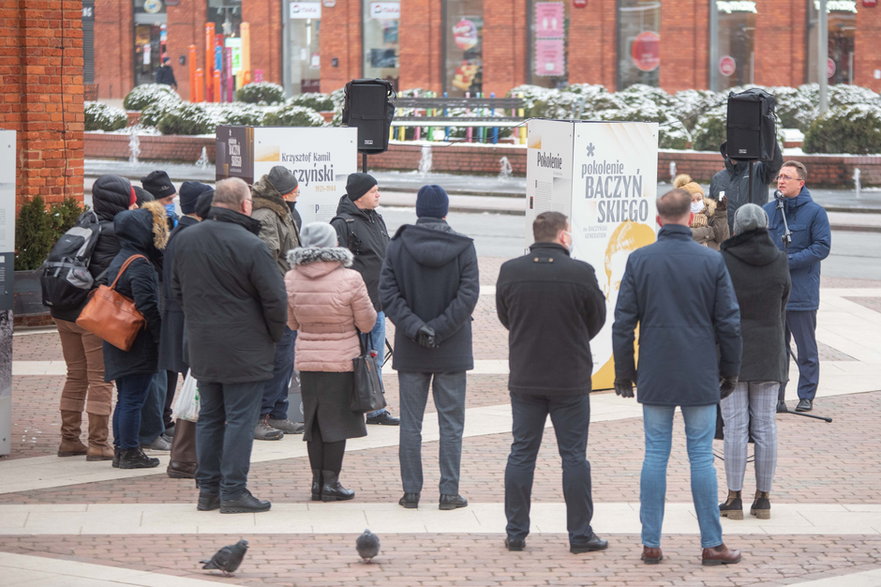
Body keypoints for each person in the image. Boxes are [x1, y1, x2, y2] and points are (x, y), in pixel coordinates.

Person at [612, 188, 743, 566]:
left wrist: (625, 372)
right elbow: (729, 322)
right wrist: (730, 369)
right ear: (690, 218)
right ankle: (712, 543)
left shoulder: (640, 260)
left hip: (656, 369)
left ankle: (651, 542)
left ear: (658, 219)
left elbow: (624, 322)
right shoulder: (710, 261)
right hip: (700, 370)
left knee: (655, 454)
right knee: (701, 457)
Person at [172, 177, 287, 514]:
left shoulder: (186, 239)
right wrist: (272, 335)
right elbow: (276, 300)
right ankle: (233, 491)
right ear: (245, 205)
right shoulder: (251, 245)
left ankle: (208, 490)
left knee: (209, 417)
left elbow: (176, 291)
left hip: (203, 343)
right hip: (245, 347)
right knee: (239, 419)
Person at [495, 211, 607, 554]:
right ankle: (579, 534)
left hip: (526, 374)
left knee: (521, 454)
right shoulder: (580, 272)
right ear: (562, 236)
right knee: (574, 457)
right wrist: (574, 338)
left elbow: (506, 316)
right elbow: (596, 319)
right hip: (569, 376)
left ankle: (516, 532)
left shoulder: (511, 270)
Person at [379, 185, 479, 511]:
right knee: (450, 424)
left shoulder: (398, 246)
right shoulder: (464, 247)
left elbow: (388, 295)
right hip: (452, 347)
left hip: (412, 347)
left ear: (418, 211)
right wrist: (439, 329)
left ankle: (411, 492)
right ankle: (449, 493)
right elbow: (467, 297)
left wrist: (417, 329)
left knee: (411, 424)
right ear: (445, 212)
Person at [285, 222, 376, 502]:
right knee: (336, 421)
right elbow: (367, 321)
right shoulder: (350, 278)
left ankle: (316, 483)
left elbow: (291, 322)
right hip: (341, 359)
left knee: (313, 422)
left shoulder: (290, 277)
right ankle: (331, 483)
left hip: (308, 358)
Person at [52, 175, 134, 461]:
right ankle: (99, 444)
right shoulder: (117, 232)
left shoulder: (83, 223)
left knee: (75, 375)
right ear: (124, 198)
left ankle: (69, 439)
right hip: (93, 314)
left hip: (64, 311)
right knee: (100, 378)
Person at [719, 204, 790, 520]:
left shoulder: (724, 260)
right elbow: (784, 299)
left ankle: (734, 497)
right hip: (769, 348)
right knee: (765, 425)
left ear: (736, 227)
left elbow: (715, 306)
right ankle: (763, 498)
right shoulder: (779, 259)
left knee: (735, 425)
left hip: (731, 351)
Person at [102, 202, 169, 469]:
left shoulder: (121, 256)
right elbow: (148, 306)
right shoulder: (140, 263)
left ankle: (123, 449)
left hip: (118, 338)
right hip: (136, 341)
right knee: (133, 398)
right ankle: (129, 451)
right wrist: (160, 336)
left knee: (126, 396)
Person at [762, 161, 831, 413]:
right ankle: (777, 396)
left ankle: (806, 395)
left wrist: (787, 261)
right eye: (779, 177)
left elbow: (821, 247)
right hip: (773, 294)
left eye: (787, 177)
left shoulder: (815, 213)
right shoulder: (768, 210)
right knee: (776, 348)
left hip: (801, 292)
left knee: (806, 348)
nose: (780, 181)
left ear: (800, 183)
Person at [332, 172, 399, 426]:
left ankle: (374, 409)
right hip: (356, 306)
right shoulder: (342, 223)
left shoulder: (376, 220)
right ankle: (354, 407)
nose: (378, 194)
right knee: (356, 359)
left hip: (378, 303)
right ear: (360, 196)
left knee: (375, 358)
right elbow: (337, 265)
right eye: (374, 191)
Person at [159, 181, 212, 479]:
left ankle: (184, 458)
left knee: (193, 391)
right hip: (189, 322)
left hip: (181, 320)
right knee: (196, 392)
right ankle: (186, 458)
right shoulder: (192, 235)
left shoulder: (180, 232)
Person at [251, 165, 304, 440]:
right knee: (277, 357)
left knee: (285, 358)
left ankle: (279, 413)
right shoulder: (267, 216)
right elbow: (267, 261)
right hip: (277, 299)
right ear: (282, 193)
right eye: (295, 190)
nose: (298, 194)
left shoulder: (283, 212)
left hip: (287, 295)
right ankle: (261, 415)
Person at [709, 140, 782, 233]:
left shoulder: (759, 170)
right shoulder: (717, 178)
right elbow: (711, 211)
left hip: (754, 237)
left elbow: (775, 162)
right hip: (725, 239)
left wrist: (768, 132)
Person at [674, 174, 729, 250]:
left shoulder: (711, 212)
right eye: (692, 200)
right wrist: (710, 231)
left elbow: (722, 238)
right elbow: (683, 235)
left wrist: (721, 213)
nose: (696, 202)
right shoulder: (678, 216)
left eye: (699, 199)